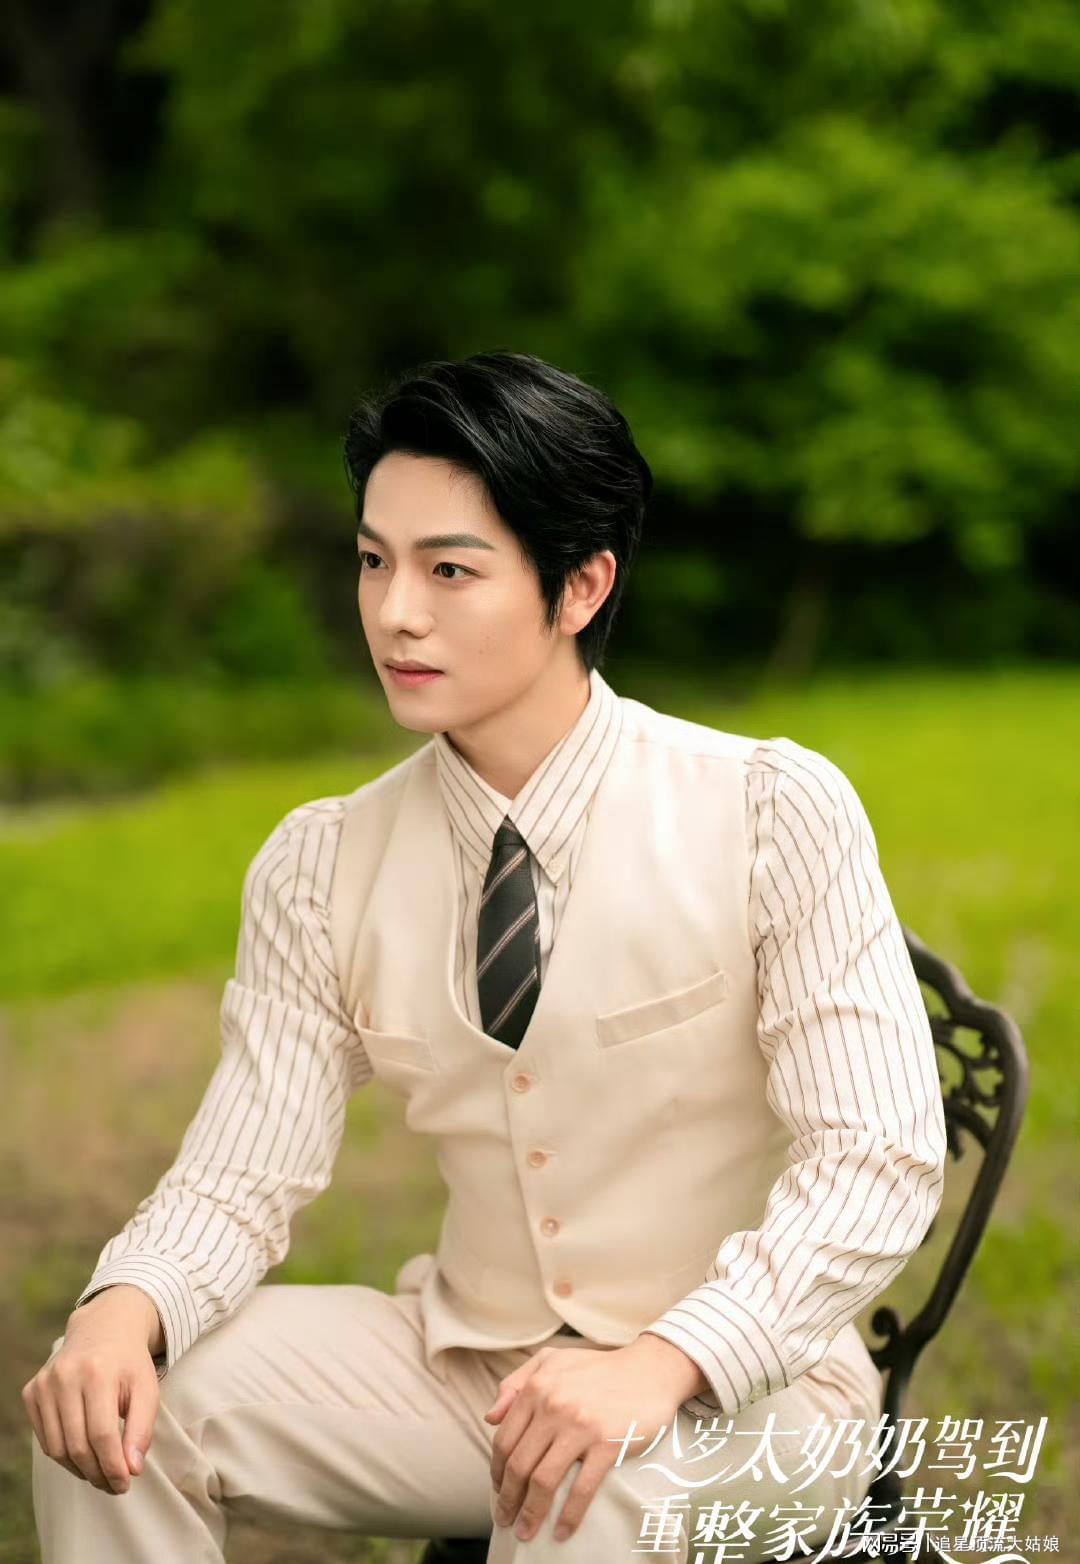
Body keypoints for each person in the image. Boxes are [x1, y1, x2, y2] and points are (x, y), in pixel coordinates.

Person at [25, 350, 947, 1562]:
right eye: (374, 560)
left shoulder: (770, 811)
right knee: (118, 1403)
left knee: (583, 1486)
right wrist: (121, 1305)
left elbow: (877, 1157)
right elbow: (237, 1174)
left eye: (449, 569)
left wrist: (666, 1359)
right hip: (471, 1369)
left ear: (581, 585)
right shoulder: (321, 862)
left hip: (750, 1391)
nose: (394, 612)